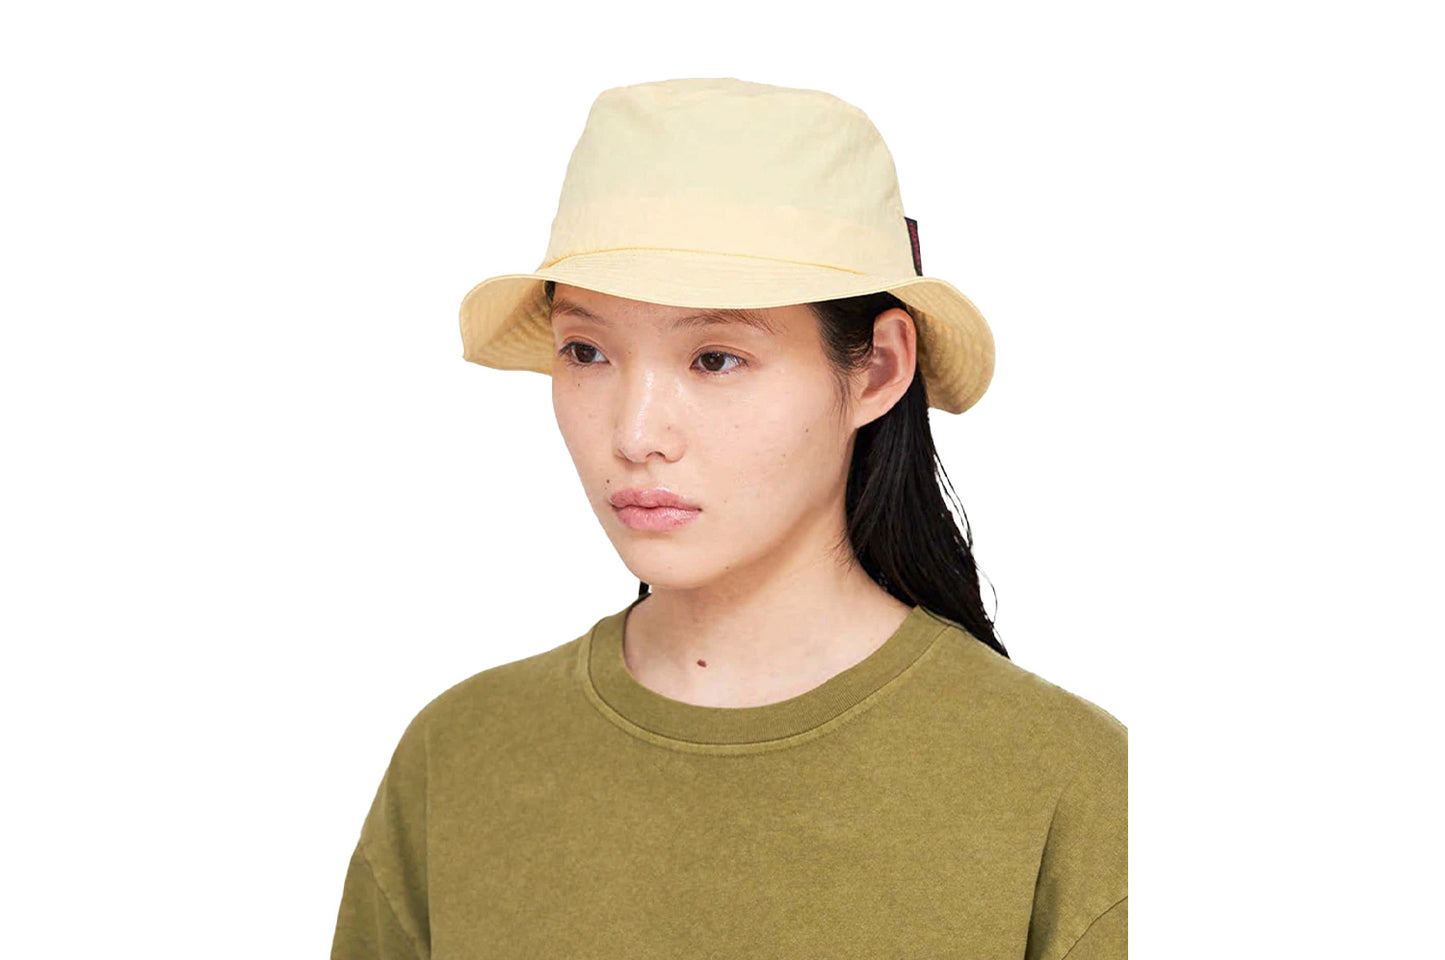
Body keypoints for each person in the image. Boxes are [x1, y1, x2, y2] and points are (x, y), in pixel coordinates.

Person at [330, 77, 1126, 959]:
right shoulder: (459, 758)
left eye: (714, 358)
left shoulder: (1072, 787)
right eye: (585, 351)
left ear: (876, 371)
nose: (634, 434)